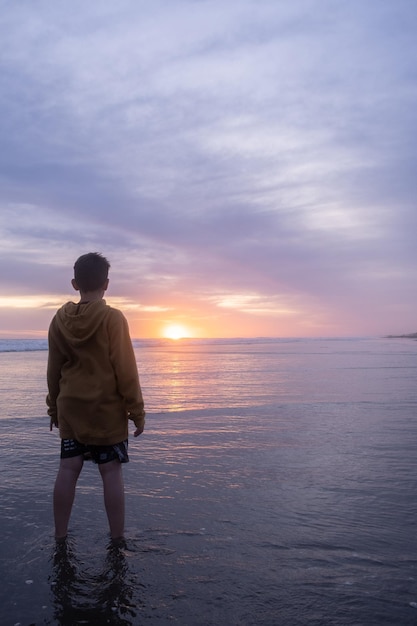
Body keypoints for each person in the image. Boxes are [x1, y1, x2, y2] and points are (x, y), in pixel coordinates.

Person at [47, 252, 145, 543]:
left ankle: (60, 535)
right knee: (111, 472)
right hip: (105, 411)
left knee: (68, 468)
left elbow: (53, 369)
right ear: (107, 283)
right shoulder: (112, 318)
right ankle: (117, 538)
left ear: (75, 283)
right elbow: (125, 368)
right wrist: (136, 411)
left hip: (71, 408)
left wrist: (53, 408)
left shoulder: (59, 320)